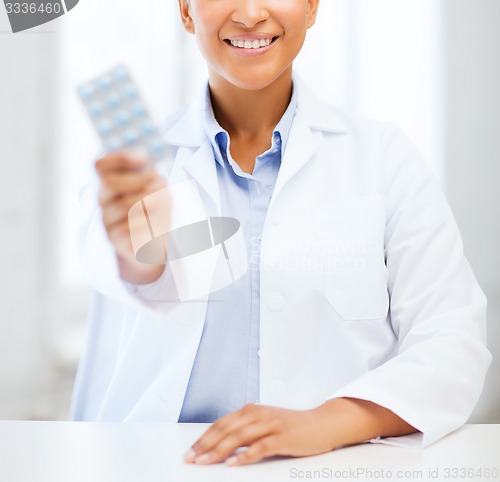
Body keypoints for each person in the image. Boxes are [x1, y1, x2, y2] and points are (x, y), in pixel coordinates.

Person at [71, 0, 491, 467]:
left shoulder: (383, 157)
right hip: (159, 464)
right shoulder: (134, 166)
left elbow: (452, 343)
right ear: (186, 11)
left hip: (331, 465)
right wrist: (139, 255)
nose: (251, 14)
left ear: (312, 7)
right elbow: (117, 269)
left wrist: (329, 422)